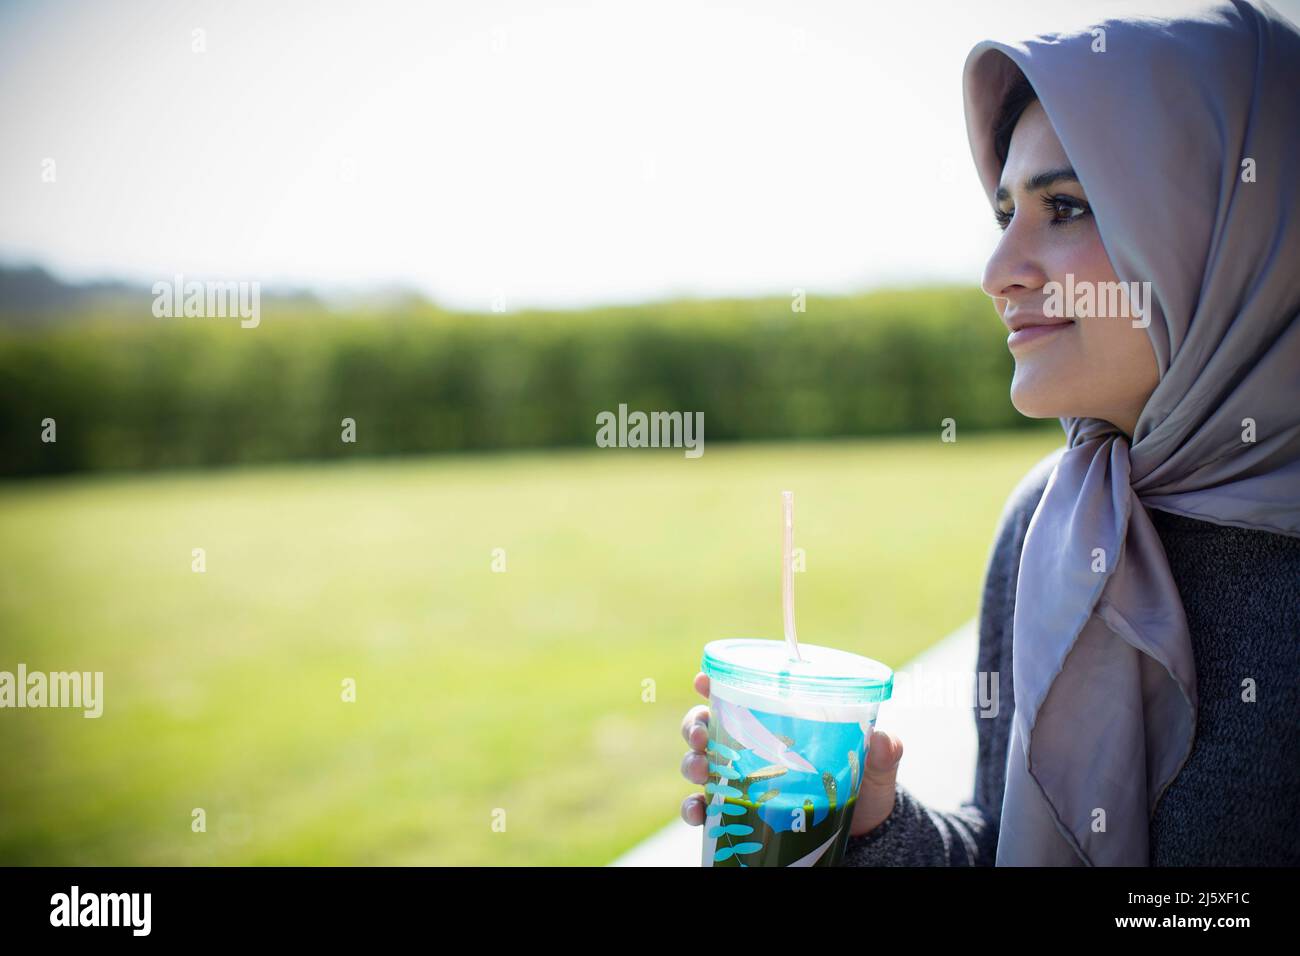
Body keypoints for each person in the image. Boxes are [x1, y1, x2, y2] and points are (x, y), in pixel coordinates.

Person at [679, 0, 1300, 865]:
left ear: (1232, 234)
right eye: (1005, 212)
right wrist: (872, 824)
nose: (998, 272)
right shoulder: (1053, 518)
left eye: (1070, 207)